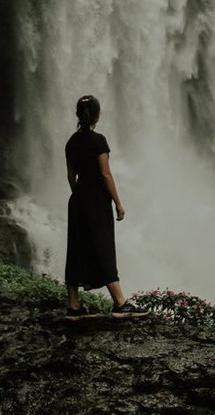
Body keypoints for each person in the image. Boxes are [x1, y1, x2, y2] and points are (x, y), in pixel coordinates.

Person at [64, 95, 148, 320]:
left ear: (78, 115)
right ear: (97, 115)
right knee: (103, 246)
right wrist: (118, 203)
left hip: (78, 199)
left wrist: (79, 195)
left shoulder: (71, 142)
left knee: (75, 248)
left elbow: (71, 175)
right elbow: (105, 174)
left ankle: (74, 306)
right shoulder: (98, 140)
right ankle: (120, 303)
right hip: (97, 200)